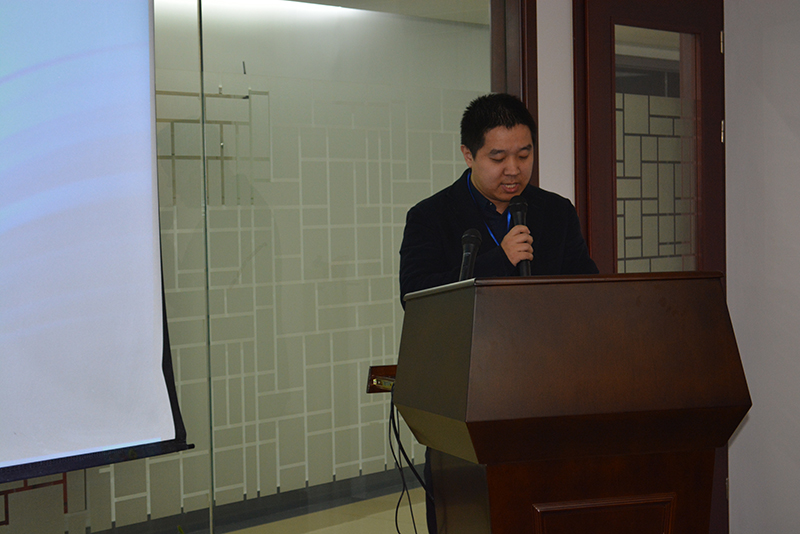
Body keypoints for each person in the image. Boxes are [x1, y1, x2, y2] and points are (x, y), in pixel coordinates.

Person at [398, 92, 598, 533]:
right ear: (468, 154)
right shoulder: (431, 216)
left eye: (524, 155)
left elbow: (585, 288)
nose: (514, 169)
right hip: (467, 398)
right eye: (498, 157)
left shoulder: (556, 212)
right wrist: (497, 260)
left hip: (547, 395)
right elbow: (415, 295)